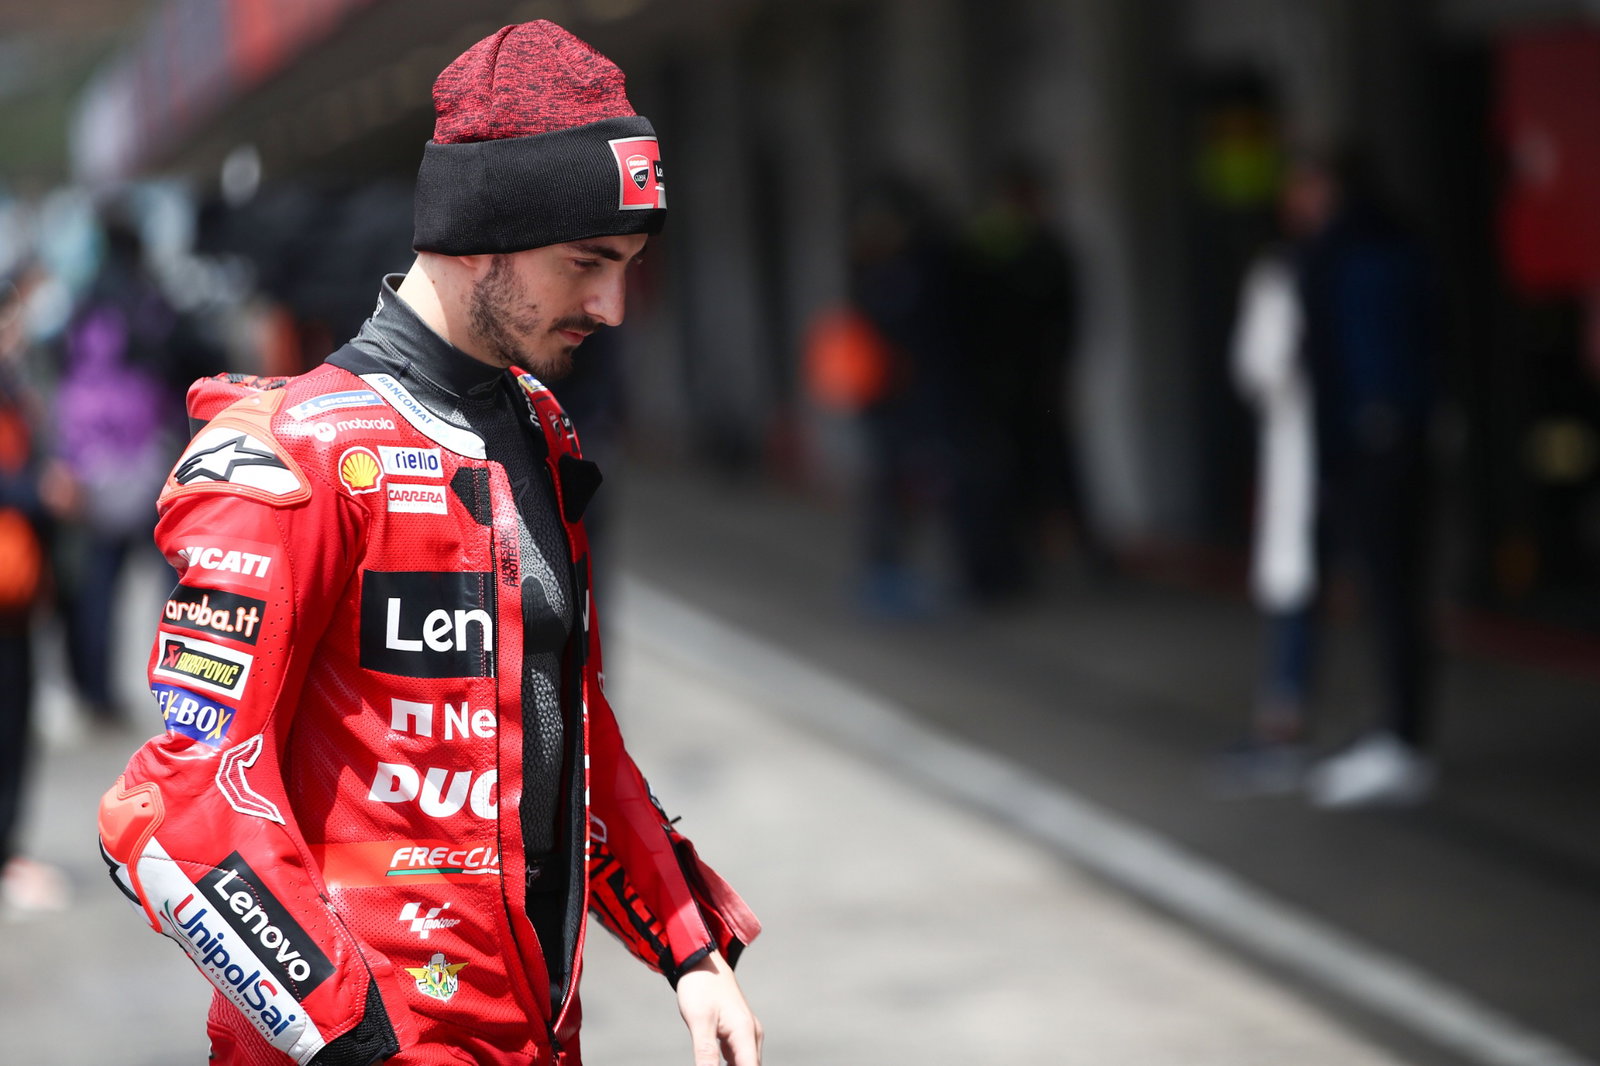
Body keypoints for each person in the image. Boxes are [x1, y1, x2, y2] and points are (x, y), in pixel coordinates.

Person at [98, 22, 762, 1066]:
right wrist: (352, 1039)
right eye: (589, 262)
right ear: (480, 233)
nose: (613, 305)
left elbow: (566, 729)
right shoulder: (288, 457)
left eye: (628, 265)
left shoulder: (538, 431)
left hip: (535, 1032)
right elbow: (174, 806)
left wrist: (690, 950)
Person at [1218, 151, 1437, 808]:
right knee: (1376, 590)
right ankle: (1374, 733)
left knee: (1368, 589)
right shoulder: (1389, 252)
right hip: (1379, 446)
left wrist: (1365, 432)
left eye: (1306, 185)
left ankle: (1368, 737)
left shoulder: (1322, 265)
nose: (1295, 199)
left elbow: (1271, 367)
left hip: (1356, 451)